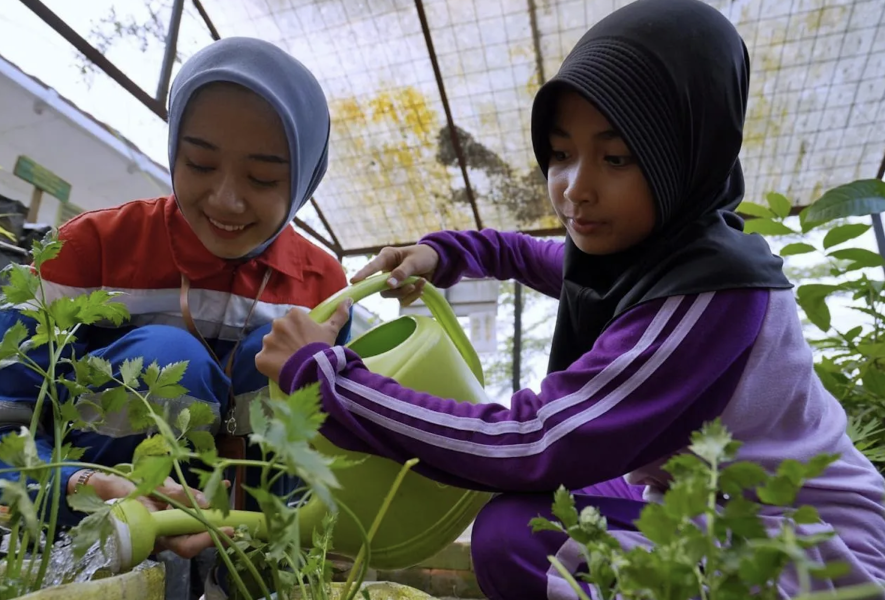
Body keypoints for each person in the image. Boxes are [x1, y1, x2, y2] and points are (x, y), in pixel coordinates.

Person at [254, 1, 885, 598]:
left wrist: (329, 380)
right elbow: (540, 258)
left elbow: (534, 441)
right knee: (542, 513)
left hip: (806, 553)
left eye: (616, 156)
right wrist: (442, 254)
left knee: (521, 537)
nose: (574, 189)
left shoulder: (706, 297)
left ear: (687, 155)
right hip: (706, 508)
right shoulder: (663, 255)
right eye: (561, 153)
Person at [0, 37, 349, 559]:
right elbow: (6, 418)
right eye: (200, 165)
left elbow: (331, 445)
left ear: (304, 179)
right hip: (95, 514)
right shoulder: (90, 249)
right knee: (170, 362)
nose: (226, 199)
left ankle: (267, 562)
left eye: (263, 178)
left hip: (240, 526)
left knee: (291, 370)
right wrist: (69, 485)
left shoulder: (322, 286)